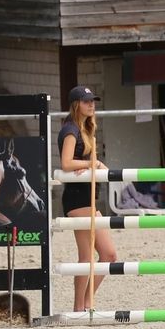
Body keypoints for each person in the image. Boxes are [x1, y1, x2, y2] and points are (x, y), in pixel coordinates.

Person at [57, 85, 118, 312]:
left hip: (87, 198)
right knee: (89, 257)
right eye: (86, 101)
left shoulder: (85, 129)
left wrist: (94, 165)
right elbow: (66, 163)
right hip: (77, 200)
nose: (91, 105)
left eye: (93, 101)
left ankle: (85, 303)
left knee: (106, 255)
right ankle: (80, 307)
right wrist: (91, 163)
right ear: (76, 105)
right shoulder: (70, 129)